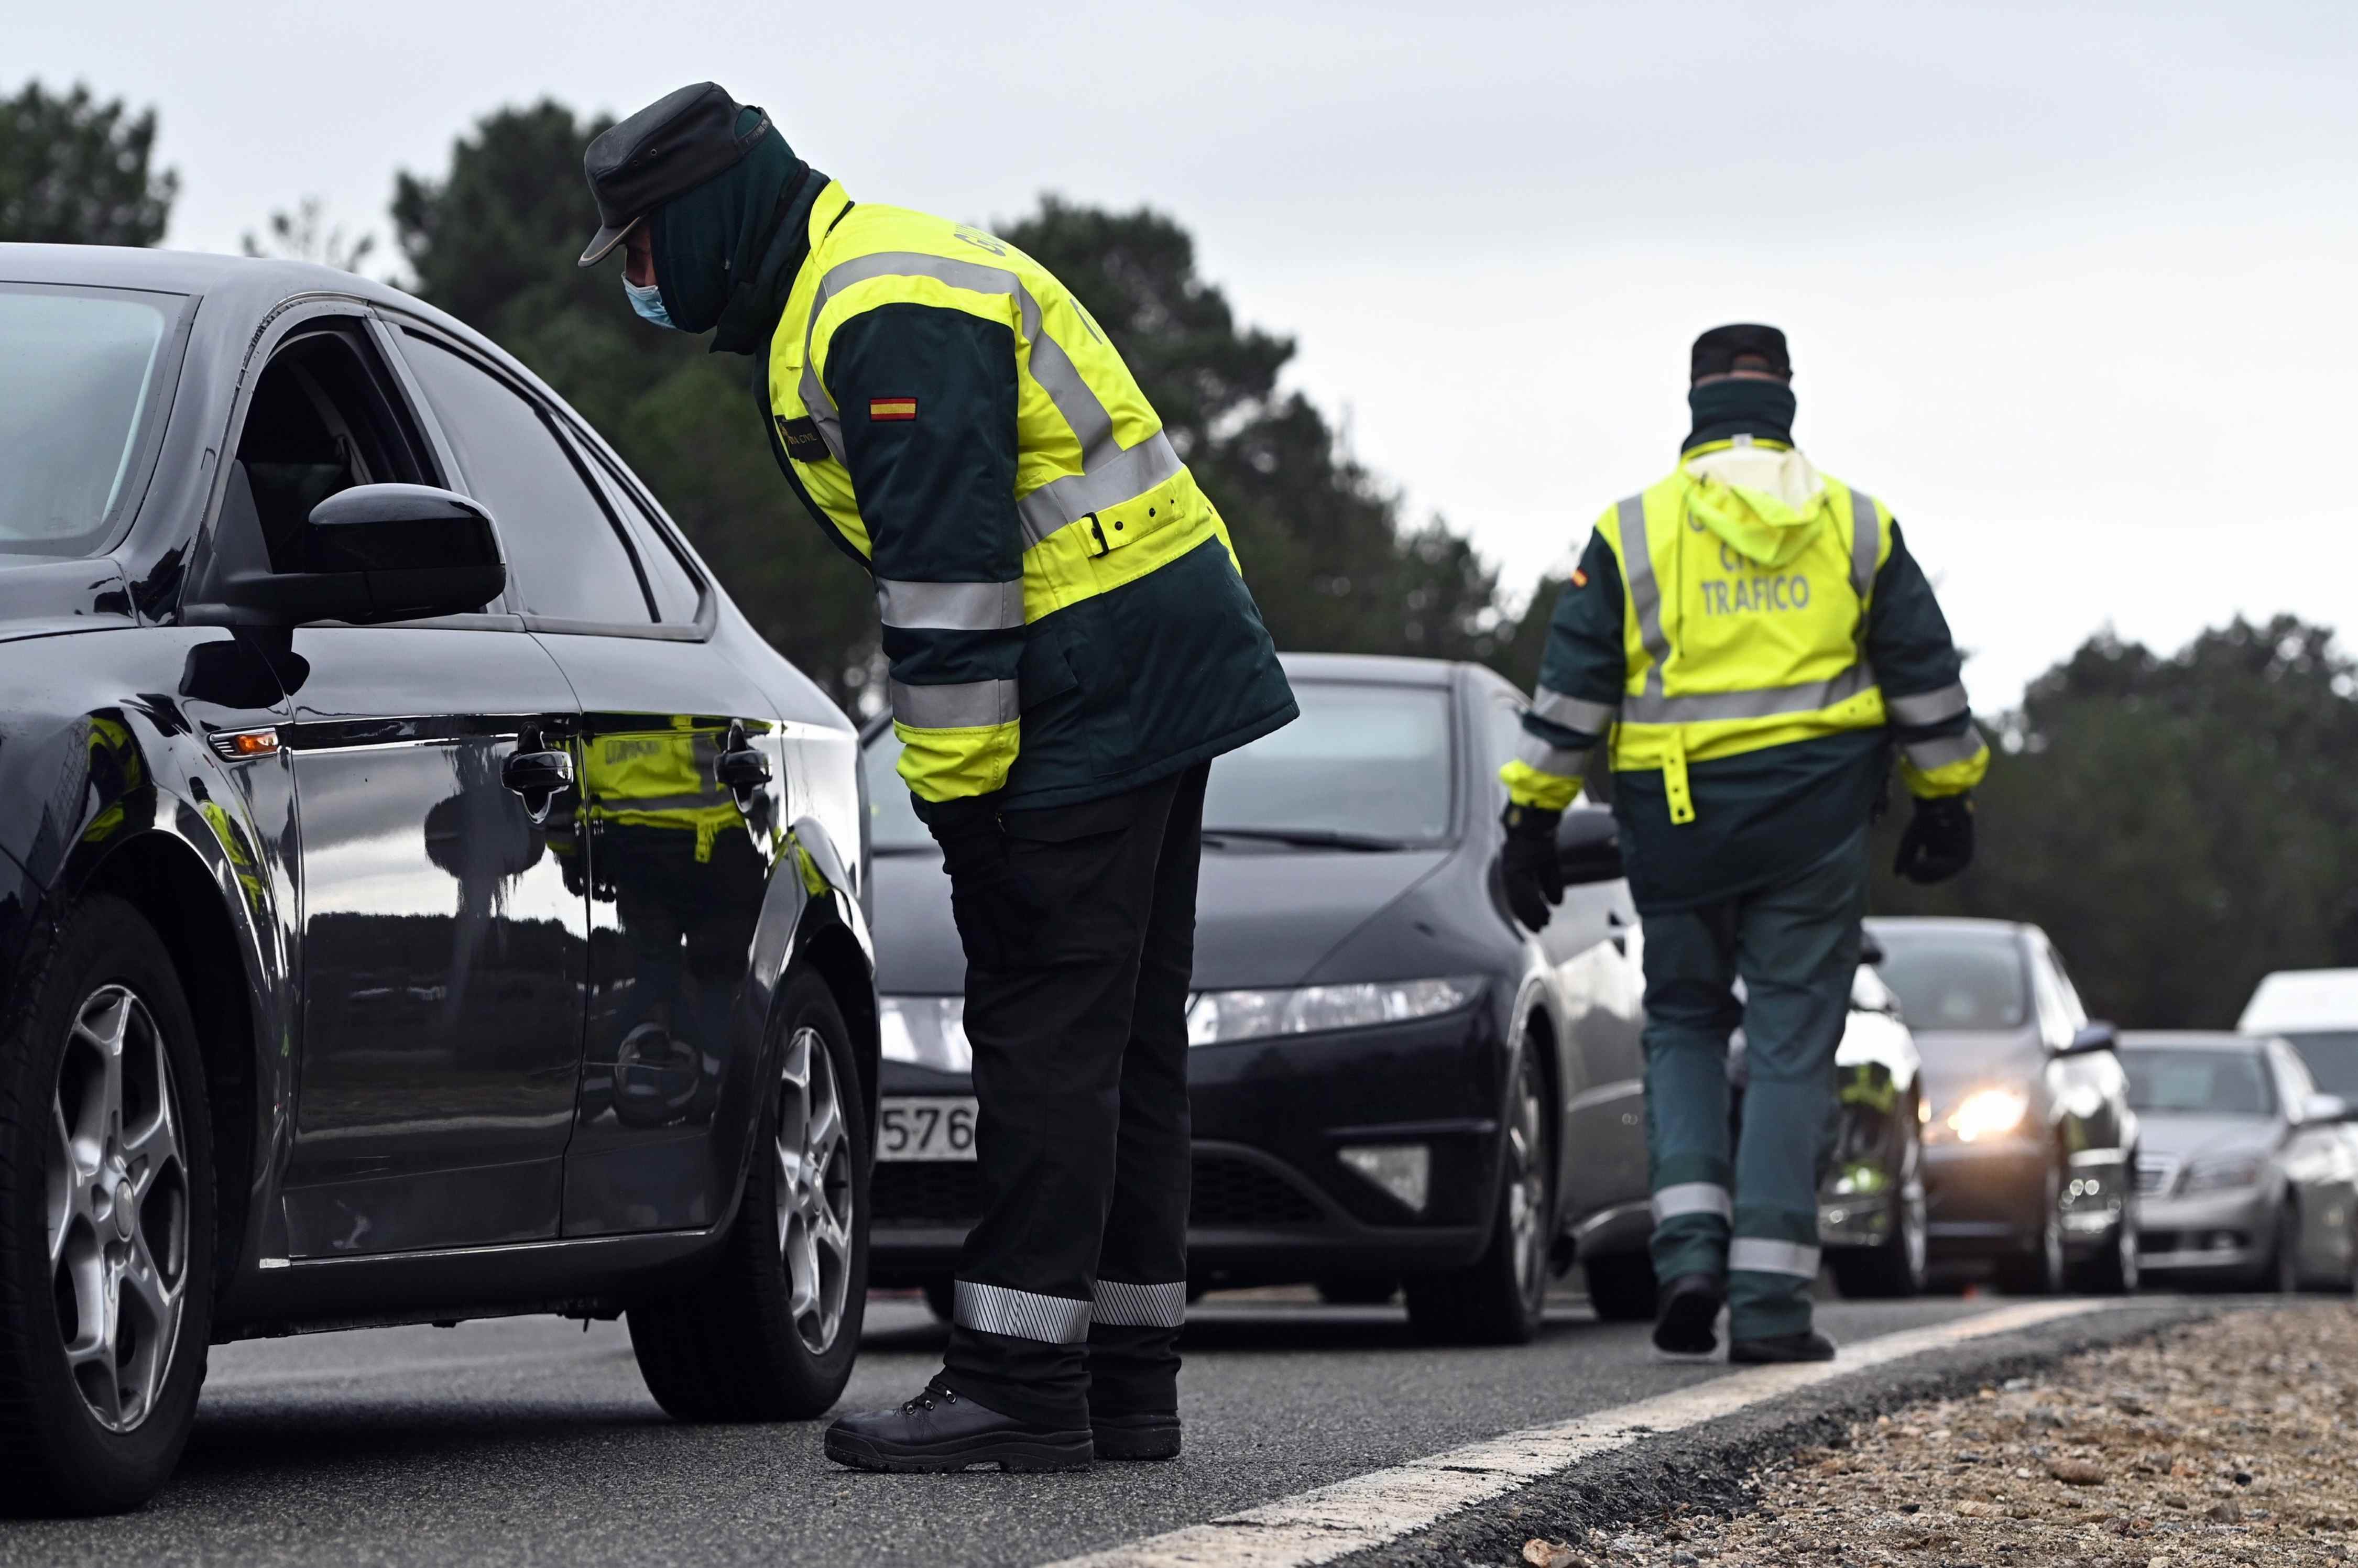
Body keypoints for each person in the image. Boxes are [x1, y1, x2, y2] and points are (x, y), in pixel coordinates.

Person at [577, 84, 1296, 1471]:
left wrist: (961, 812)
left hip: (1090, 670)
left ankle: (1022, 1382)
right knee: (1121, 1042)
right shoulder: (868, 276)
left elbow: (952, 585)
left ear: (715, 211)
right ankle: (1120, 1378)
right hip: (1154, 649)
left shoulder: (870, 307)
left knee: (1042, 1026)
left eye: (649, 250)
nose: (648, 286)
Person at [1497, 324, 1986, 1364]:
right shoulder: (1858, 526)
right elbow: (1925, 678)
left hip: (1674, 827)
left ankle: (1686, 1257)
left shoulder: (1634, 531)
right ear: (1788, 400)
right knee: (1791, 1048)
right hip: (1812, 825)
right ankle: (1768, 1306)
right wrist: (1947, 799)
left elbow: (1573, 692)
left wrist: (1532, 818)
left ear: (1695, 402)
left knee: (1678, 1025)